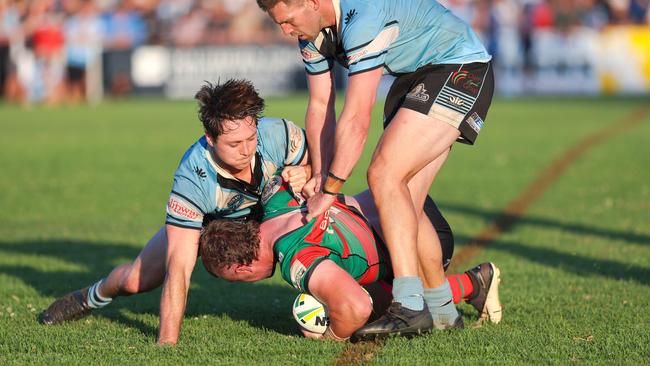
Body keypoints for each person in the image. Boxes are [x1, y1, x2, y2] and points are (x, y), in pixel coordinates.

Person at [255, 0, 495, 338]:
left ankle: (409, 306)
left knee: (384, 174)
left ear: (311, 2)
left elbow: (356, 118)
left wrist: (329, 191)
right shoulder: (310, 34)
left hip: (459, 68)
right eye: (279, 24)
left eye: (288, 20)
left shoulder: (362, 18)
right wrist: (320, 173)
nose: (285, 30)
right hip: (416, 77)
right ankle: (443, 311)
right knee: (406, 198)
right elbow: (321, 105)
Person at [40, 79, 311, 345]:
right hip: (212, 224)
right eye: (233, 144)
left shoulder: (279, 133)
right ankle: (88, 297)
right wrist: (167, 345)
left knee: (314, 218)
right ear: (210, 139)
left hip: (271, 213)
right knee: (136, 280)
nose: (246, 150)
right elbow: (179, 268)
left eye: (251, 138)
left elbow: (322, 169)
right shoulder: (192, 179)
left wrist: (307, 172)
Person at [200, 173, 502, 341]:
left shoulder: (294, 258)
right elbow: (300, 157)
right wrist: (305, 169)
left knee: (376, 308)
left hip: (421, 241)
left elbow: (354, 308)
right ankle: (476, 282)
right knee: (373, 292)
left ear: (240, 268)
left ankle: (472, 283)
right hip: (407, 204)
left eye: (237, 280)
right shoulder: (276, 197)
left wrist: (329, 335)